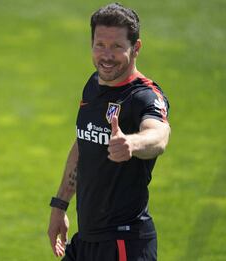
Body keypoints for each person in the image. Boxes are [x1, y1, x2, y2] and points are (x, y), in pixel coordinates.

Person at [47, 3, 171, 261]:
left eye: (116, 46)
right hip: (87, 240)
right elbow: (83, 142)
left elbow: (159, 134)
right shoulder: (93, 86)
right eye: (100, 45)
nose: (106, 55)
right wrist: (60, 205)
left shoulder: (145, 96)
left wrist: (132, 144)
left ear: (135, 48)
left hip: (124, 244)